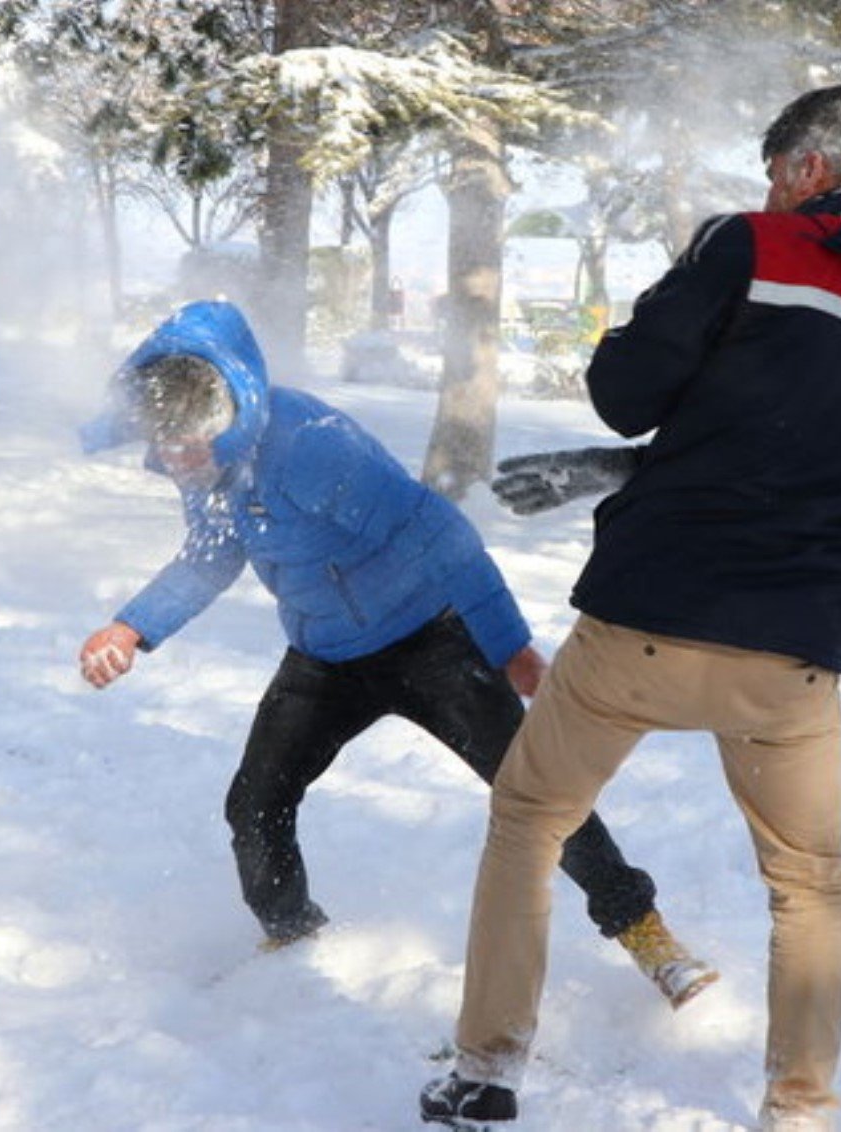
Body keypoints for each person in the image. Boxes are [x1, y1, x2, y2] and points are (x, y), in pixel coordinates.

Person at [419, 86, 841, 1132]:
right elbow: (837, 470)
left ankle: (486, 1068)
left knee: (529, 821)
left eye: (773, 169)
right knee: (810, 884)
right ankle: (800, 1108)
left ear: (806, 168)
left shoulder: (747, 242)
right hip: (793, 657)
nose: (766, 188)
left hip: (644, 624)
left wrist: (669, 308)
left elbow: (624, 390)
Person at [76, 300, 713, 1002]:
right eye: (162, 445)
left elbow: (441, 537)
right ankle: (290, 937)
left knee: (534, 792)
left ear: (229, 414)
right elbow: (209, 557)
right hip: (324, 656)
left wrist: (508, 648)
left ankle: (647, 936)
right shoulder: (209, 468)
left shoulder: (311, 446)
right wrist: (132, 627)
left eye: (186, 445)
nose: (175, 461)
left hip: (429, 640)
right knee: (255, 803)